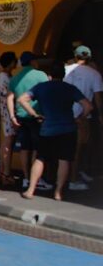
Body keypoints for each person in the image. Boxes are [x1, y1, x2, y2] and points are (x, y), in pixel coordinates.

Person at [18, 61, 92, 201]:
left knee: (41, 158)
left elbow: (22, 99)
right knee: (64, 160)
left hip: (48, 128)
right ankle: (58, 192)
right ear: (63, 75)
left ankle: (31, 190)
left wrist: (34, 114)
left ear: (49, 75)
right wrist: (79, 118)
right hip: (68, 128)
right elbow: (88, 106)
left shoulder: (41, 87)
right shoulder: (70, 88)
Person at [8, 52, 50, 192]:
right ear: (33, 62)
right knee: (37, 148)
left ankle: (26, 178)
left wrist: (12, 116)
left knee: (25, 147)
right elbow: (47, 93)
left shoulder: (15, 78)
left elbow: (10, 98)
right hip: (36, 115)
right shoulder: (41, 75)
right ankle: (36, 179)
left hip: (20, 116)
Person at [63, 45, 103, 190]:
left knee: (69, 147)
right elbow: (98, 98)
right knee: (78, 148)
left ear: (75, 56)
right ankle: (73, 180)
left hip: (64, 114)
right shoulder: (94, 74)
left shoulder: (66, 70)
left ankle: (76, 173)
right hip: (82, 116)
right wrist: (101, 115)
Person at [0, 52, 19, 186]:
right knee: (8, 143)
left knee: (6, 142)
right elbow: (7, 94)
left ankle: (3, 171)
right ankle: (6, 173)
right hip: (8, 111)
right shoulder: (4, 77)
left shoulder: (3, 76)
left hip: (5, 111)